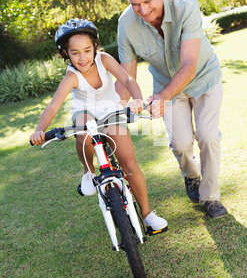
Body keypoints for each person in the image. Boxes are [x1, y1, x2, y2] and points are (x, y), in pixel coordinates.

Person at [30, 18, 167, 231]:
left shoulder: (104, 59)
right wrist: (40, 130)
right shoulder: (71, 76)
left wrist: (138, 99)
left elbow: (128, 80)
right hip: (86, 115)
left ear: (95, 46)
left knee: (129, 163)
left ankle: (147, 214)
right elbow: (53, 106)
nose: (82, 57)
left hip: (111, 112)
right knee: (83, 128)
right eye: (75, 53)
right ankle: (88, 171)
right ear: (66, 53)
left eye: (87, 50)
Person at [115, 0, 227, 219]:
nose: (142, 10)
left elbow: (188, 66)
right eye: (135, 4)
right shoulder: (126, 24)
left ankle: (210, 198)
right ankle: (191, 177)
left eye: (147, 1)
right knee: (180, 143)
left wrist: (161, 97)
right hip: (167, 86)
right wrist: (108, 107)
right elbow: (126, 76)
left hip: (203, 79)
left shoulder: (186, 5)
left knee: (208, 136)